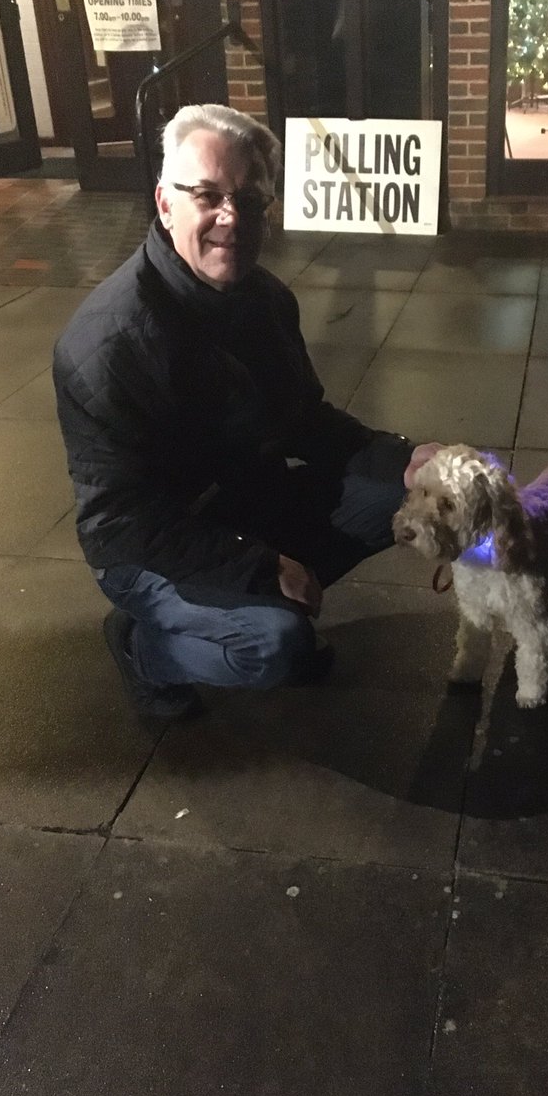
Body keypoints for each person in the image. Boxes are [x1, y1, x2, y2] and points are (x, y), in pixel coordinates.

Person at [53, 103, 441, 720]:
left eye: (250, 200)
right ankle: (143, 647)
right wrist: (259, 567)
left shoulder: (263, 299)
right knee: (275, 644)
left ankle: (264, 601)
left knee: (410, 496)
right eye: (207, 196)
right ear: (164, 202)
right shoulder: (110, 343)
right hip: (150, 549)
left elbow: (304, 419)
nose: (231, 219)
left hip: (242, 506)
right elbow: (115, 523)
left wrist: (407, 457)